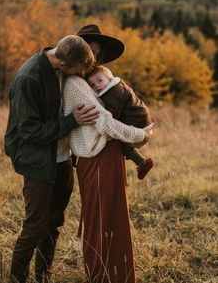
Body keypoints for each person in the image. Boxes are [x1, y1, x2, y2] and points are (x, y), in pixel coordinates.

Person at [4, 35, 100, 283]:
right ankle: (17, 278)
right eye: (78, 72)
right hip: (37, 162)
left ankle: (43, 275)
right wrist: (72, 121)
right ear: (63, 66)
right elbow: (29, 131)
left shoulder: (67, 63)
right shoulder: (29, 78)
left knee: (54, 223)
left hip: (62, 159)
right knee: (34, 227)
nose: (80, 76)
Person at [62, 24, 154, 283]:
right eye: (89, 52)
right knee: (100, 221)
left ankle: (119, 275)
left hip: (109, 156)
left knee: (114, 219)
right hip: (96, 159)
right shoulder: (75, 83)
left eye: (97, 55)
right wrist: (141, 135)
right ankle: (101, 276)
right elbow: (104, 123)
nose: (94, 60)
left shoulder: (94, 81)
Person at [86, 65, 154, 180]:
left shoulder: (112, 92)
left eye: (100, 80)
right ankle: (142, 163)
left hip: (136, 118)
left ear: (109, 78)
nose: (97, 85)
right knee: (124, 144)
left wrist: (103, 118)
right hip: (139, 116)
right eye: (92, 85)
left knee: (124, 146)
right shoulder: (118, 86)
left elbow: (112, 115)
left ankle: (143, 163)